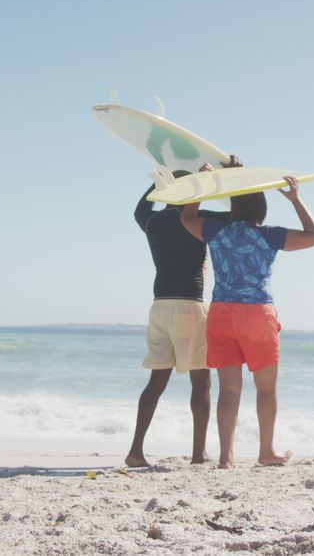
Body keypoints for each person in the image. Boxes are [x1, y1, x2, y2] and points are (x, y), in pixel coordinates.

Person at [180, 174, 314, 469]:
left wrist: (202, 187)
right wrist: (296, 200)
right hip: (257, 314)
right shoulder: (269, 235)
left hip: (221, 314)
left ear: (232, 205)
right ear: (261, 208)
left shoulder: (215, 231)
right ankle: (266, 451)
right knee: (266, 388)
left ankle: (225, 458)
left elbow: (187, 217)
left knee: (229, 390)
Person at [126, 163, 233, 467]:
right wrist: (219, 178)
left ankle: (135, 451)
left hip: (159, 306)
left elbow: (138, 210)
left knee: (156, 381)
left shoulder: (154, 222)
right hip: (188, 305)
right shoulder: (197, 220)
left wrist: (160, 185)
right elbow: (238, 215)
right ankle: (198, 454)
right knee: (201, 381)